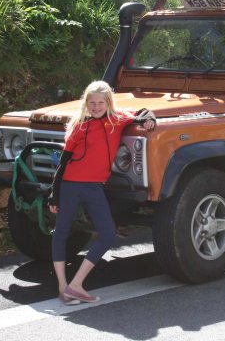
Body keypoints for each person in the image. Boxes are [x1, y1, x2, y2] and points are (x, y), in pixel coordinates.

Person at [49, 80, 156, 305]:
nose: (96, 106)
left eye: (100, 102)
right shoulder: (78, 126)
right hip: (70, 185)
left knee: (107, 234)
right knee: (61, 232)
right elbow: (63, 164)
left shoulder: (117, 120)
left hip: (95, 188)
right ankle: (62, 287)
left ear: (108, 103)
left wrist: (149, 120)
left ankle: (76, 284)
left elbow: (142, 112)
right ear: (86, 103)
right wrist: (54, 194)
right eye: (92, 102)